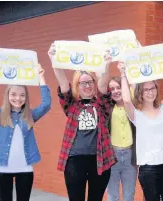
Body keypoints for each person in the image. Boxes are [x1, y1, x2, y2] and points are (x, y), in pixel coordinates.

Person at [0, 60, 51, 201]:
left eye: (22, 95)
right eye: (14, 94)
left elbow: (46, 104)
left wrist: (41, 77)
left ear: (26, 97)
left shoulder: (30, 115)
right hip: (3, 168)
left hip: (25, 168)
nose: (18, 98)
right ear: (7, 95)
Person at [49, 44, 115, 201]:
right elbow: (63, 84)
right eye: (82, 83)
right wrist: (54, 60)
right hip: (74, 161)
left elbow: (103, 86)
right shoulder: (71, 104)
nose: (87, 86)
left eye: (90, 81)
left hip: (99, 159)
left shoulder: (101, 103)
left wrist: (106, 65)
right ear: (77, 85)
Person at [117, 62, 163, 201]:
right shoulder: (136, 113)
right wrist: (123, 74)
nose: (150, 92)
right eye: (146, 90)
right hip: (148, 168)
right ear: (140, 92)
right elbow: (126, 100)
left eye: (153, 88)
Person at [105, 76, 138, 201]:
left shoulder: (133, 106)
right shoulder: (107, 108)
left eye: (118, 87)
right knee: (112, 195)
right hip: (112, 156)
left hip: (130, 155)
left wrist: (125, 72)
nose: (115, 91)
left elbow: (134, 84)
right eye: (112, 89)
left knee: (129, 195)